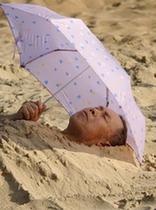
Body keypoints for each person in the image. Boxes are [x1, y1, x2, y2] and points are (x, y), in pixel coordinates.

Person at [0, 101, 127, 147]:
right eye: (97, 107)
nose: (94, 110)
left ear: (103, 143)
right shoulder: (39, 125)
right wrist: (17, 117)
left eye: (104, 117)